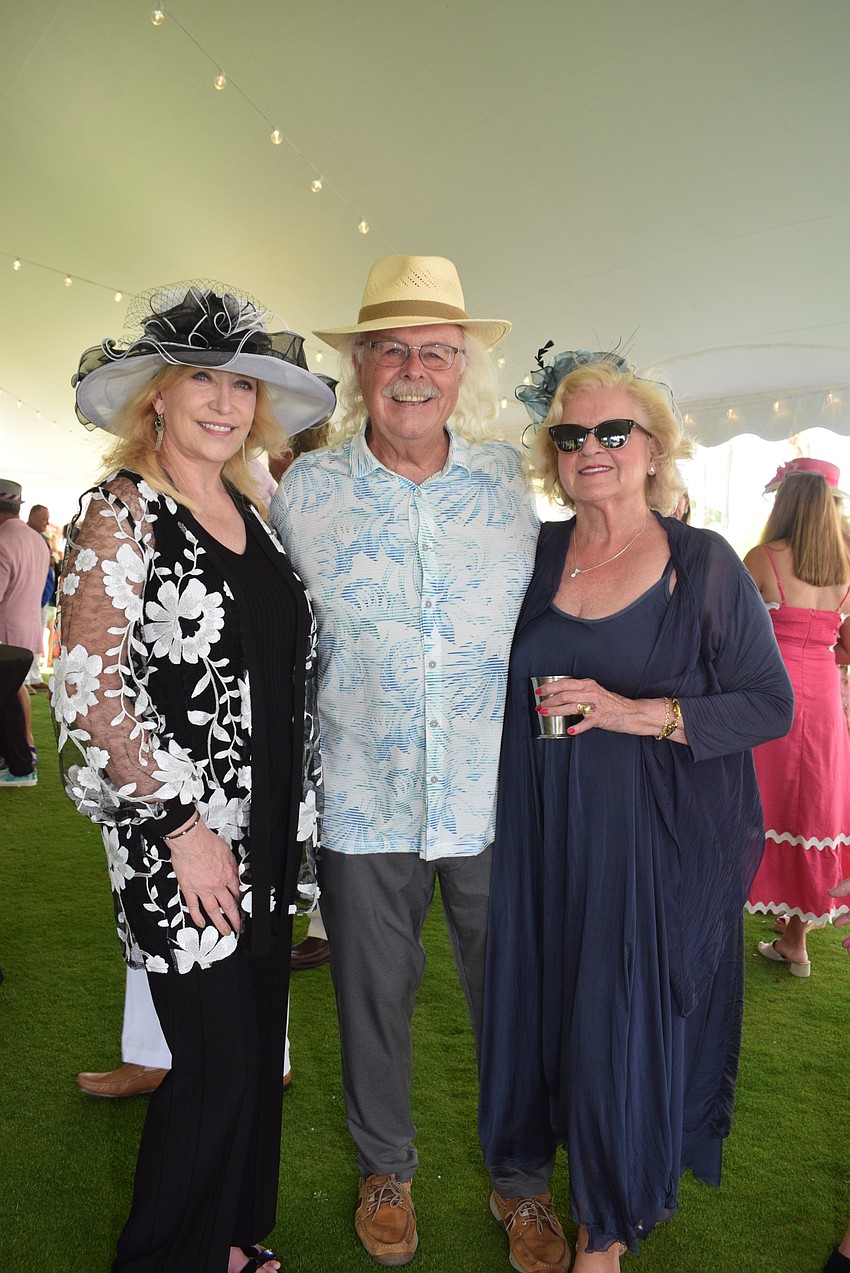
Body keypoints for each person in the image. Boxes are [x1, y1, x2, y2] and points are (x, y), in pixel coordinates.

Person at [477, 348, 794, 1272]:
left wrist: (634, 712)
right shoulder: (535, 551)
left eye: (614, 431)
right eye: (572, 434)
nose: (592, 448)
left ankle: (604, 1230)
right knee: (548, 1011)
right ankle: (532, 1177)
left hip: (649, 840)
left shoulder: (703, 564)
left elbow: (769, 703)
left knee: (618, 1022)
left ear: (655, 448)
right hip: (541, 830)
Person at [52, 282, 335, 1273]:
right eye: (201, 381)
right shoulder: (120, 511)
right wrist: (181, 826)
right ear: (157, 399)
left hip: (264, 838)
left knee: (255, 1050)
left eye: (243, 386)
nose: (225, 402)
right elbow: (87, 691)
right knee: (212, 1066)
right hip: (181, 842)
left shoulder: (253, 511)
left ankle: (227, 1239)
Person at [271, 254, 539, 1267]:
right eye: (392, 349)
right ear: (359, 365)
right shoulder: (306, 493)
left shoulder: (511, 484)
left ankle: (521, 1179)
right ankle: (385, 1165)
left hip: (489, 800)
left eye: (435, 350)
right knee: (369, 1000)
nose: (414, 369)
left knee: (507, 1000)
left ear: (463, 367)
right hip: (362, 799)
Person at [744, 459, 850, 973]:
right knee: (812, 805)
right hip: (825, 697)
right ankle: (797, 940)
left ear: (785, 501)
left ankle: (738, 911)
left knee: (762, 798)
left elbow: (733, 636)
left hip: (771, 693)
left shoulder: (762, 558)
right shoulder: (847, 565)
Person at [0, 478, 50, 784]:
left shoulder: (3, 539)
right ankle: (22, 753)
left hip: (7, 627)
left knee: (11, 694)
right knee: (14, 691)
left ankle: (25, 756)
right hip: (28, 621)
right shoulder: (35, 538)